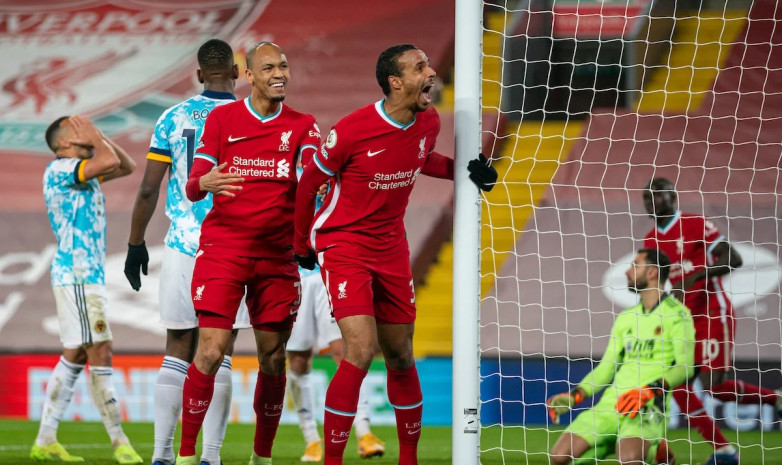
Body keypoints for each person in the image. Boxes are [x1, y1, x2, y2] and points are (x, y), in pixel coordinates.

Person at [293, 43, 497, 465]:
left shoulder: (429, 121)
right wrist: (301, 245)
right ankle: (333, 459)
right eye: (419, 67)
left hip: (391, 246)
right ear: (395, 81)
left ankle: (409, 460)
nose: (430, 73)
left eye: (427, 65)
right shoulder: (352, 129)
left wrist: (465, 169)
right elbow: (310, 180)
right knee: (362, 350)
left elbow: (421, 159)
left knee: (401, 352)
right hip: (344, 243)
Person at [176, 41, 321, 465]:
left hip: (276, 258)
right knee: (211, 349)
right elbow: (193, 181)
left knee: (273, 358)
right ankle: (187, 455)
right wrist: (204, 183)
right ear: (250, 75)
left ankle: (262, 457)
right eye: (270, 67)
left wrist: (316, 179)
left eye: (284, 65)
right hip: (224, 249)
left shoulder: (303, 125)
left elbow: (312, 171)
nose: (280, 73)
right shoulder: (223, 119)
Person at [123, 39, 250, 465]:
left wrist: (135, 243)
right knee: (222, 349)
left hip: (183, 243)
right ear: (235, 72)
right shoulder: (252, 117)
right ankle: (211, 457)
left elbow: (148, 189)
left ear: (198, 75)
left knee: (177, 345)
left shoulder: (172, 118)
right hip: (233, 245)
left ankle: (160, 455)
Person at [643, 177, 782, 465]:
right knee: (677, 385)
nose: (651, 201)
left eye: (657, 195)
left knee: (713, 387)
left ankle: (775, 399)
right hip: (682, 322)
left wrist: (696, 276)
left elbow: (734, 258)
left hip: (711, 313)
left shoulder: (696, 223)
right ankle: (724, 451)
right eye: (647, 197)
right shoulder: (650, 240)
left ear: (672, 197)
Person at [36, 115, 141, 464]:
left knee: (77, 354)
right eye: (76, 129)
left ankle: (46, 438)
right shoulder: (62, 169)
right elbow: (110, 161)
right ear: (63, 143)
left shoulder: (81, 170)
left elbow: (126, 165)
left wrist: (99, 135)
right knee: (101, 348)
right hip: (78, 274)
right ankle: (119, 442)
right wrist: (94, 137)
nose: (85, 132)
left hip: (85, 275)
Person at [547, 248, 693, 465]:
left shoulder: (677, 314)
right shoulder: (626, 318)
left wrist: (649, 390)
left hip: (649, 403)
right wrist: (576, 395)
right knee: (559, 457)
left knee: (629, 459)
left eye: (635, 265)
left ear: (652, 272)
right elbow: (606, 367)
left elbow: (685, 367)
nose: (627, 271)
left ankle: (653, 452)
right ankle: (613, 443)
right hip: (611, 404)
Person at [286, 174, 385, 462]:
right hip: (296, 274)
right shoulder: (285, 172)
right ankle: (311, 439)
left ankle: (364, 432)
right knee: (299, 359)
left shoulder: (337, 173)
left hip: (333, 269)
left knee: (347, 351)